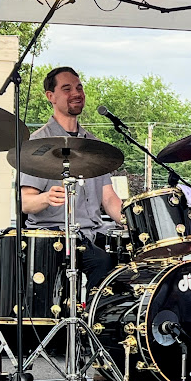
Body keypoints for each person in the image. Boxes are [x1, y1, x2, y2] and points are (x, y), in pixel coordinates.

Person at [20, 66, 123, 291]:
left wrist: (135, 221)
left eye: (79, 87)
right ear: (51, 97)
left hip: (92, 236)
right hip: (53, 239)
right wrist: (47, 198)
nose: (76, 93)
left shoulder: (94, 145)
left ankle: (98, 322)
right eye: (66, 88)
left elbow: (109, 198)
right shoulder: (37, 144)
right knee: (97, 267)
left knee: (121, 263)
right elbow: (26, 202)